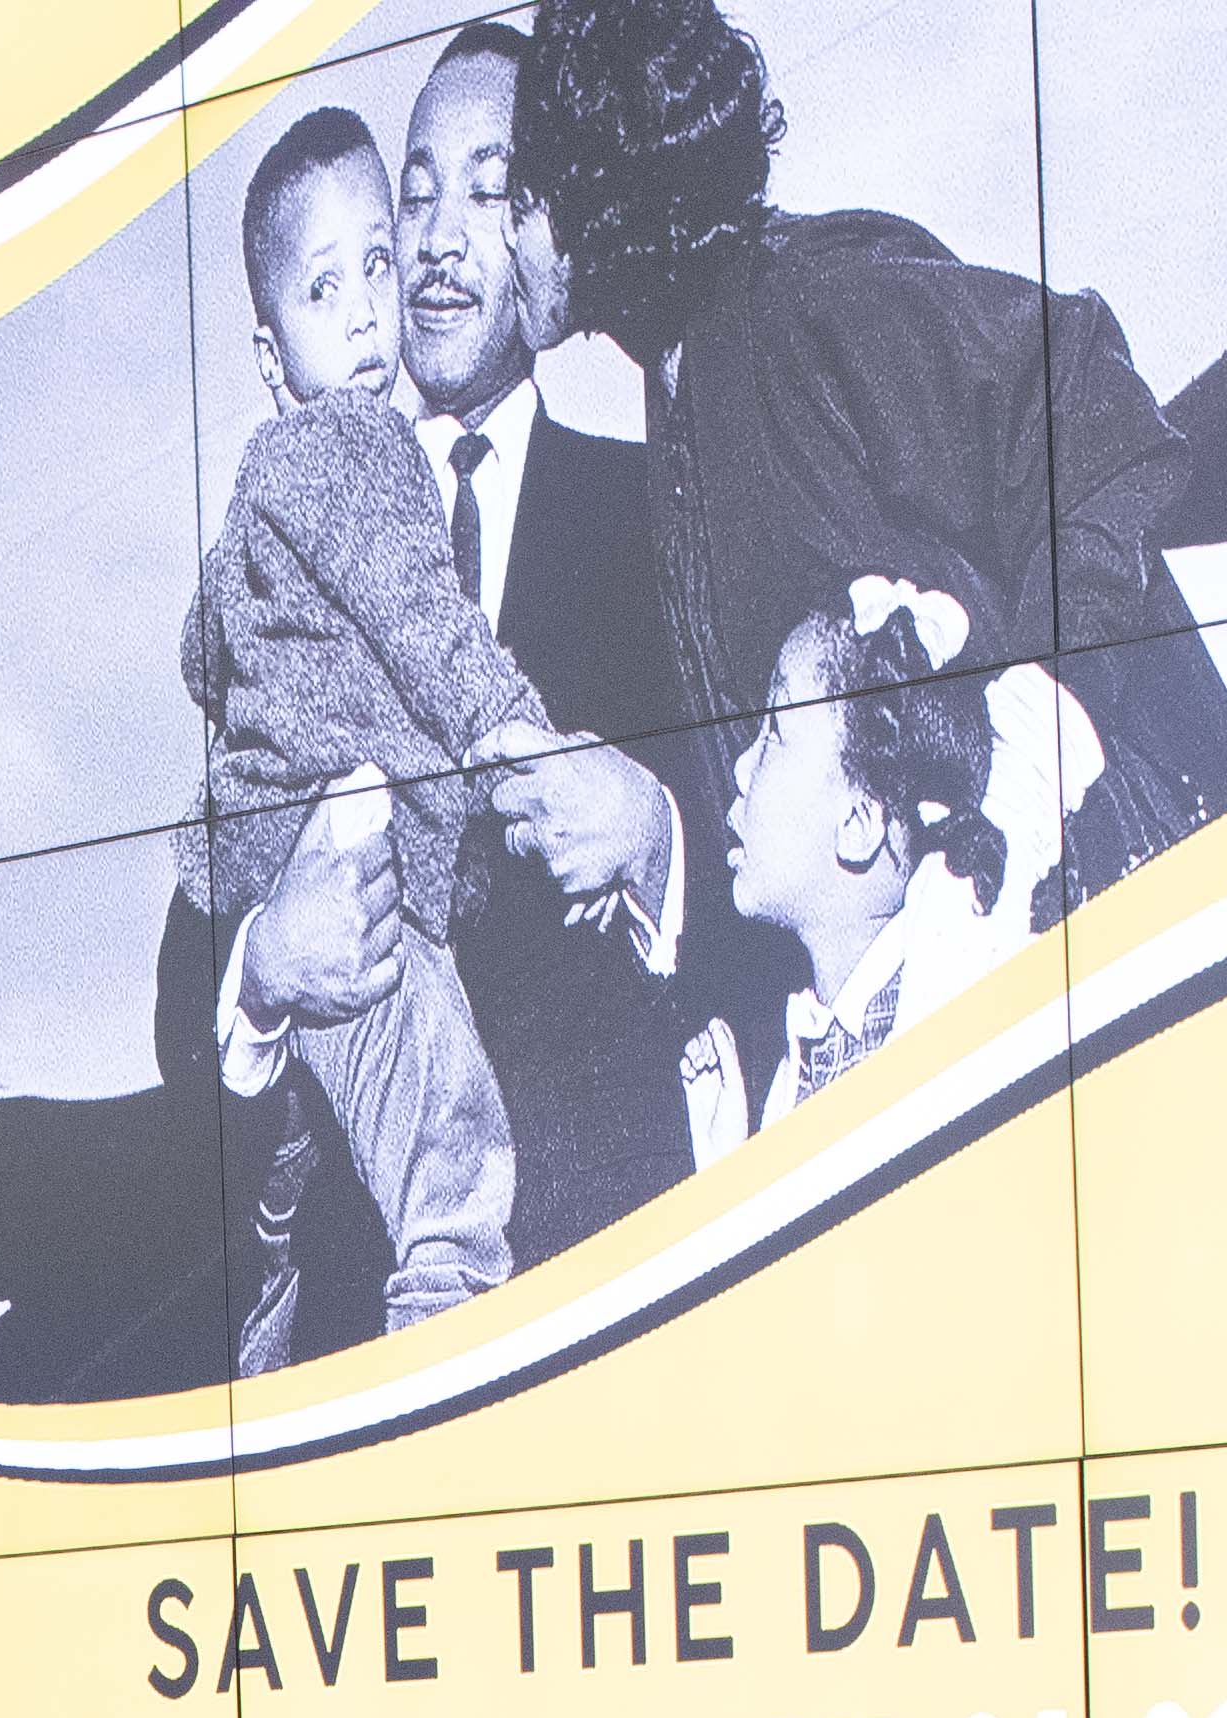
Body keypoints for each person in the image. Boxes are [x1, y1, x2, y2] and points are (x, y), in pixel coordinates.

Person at [513, 0, 1227, 913]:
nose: (503, 241)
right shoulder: (682, 390)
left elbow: (1090, 407)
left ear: (600, 204)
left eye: (519, 200)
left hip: (1129, 901)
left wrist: (1053, 704)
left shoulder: (817, 303)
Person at [387, 18, 796, 1261]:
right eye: (414, 196)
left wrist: (657, 845)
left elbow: (787, 901)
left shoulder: (659, 511)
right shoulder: (291, 552)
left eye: (490, 188)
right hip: (373, 1315)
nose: (443, 238)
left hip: (604, 1267)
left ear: (548, 222)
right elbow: (190, 993)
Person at [177, 103, 561, 1358]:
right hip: (340, 829)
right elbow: (419, 617)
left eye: (375, 269)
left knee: (326, 1128)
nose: (362, 311)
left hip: (265, 817)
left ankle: (279, 1257)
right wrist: (515, 730)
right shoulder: (361, 450)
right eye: (323, 286)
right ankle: (447, 1298)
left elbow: (202, 644)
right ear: (269, 348)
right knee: (443, 1112)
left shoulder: (265, 480)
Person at [691, 587, 1021, 1148]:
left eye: (774, 732)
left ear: (858, 825)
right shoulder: (806, 1058)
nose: (743, 767)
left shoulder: (935, 1054)